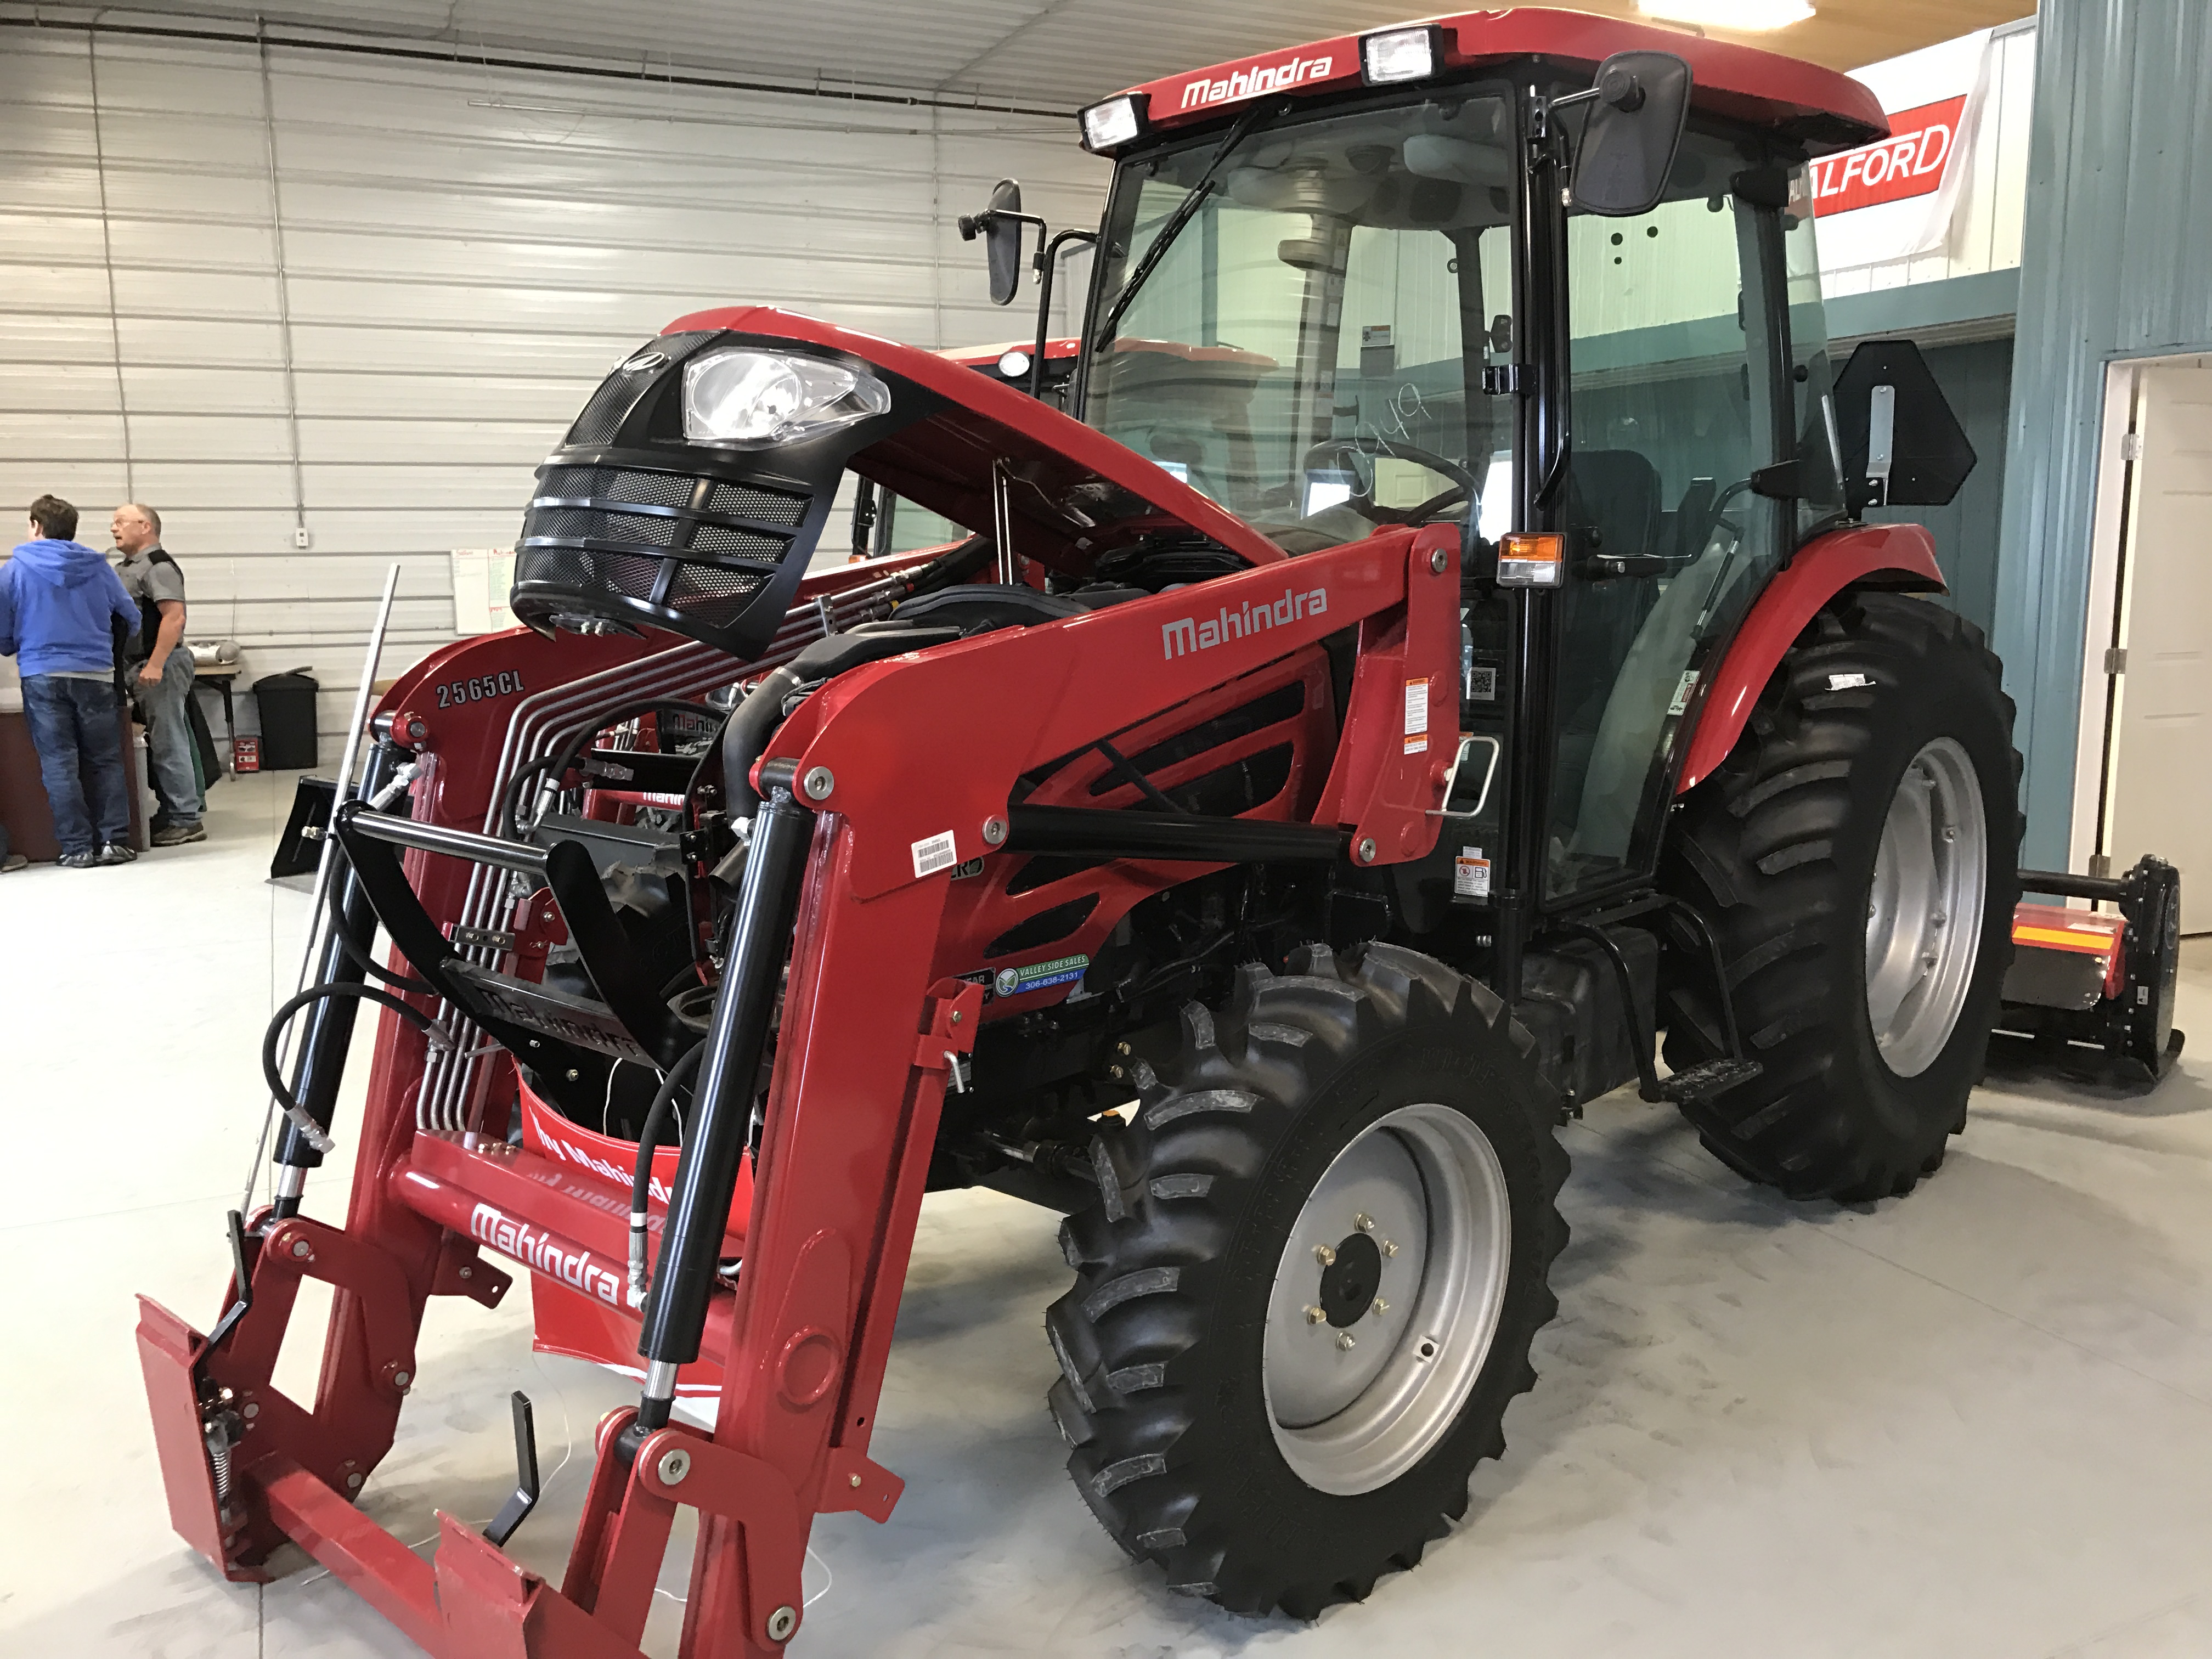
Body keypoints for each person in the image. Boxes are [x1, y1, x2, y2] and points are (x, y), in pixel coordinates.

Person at [0, 495, 139, 867]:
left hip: (41, 674)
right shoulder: (99, 567)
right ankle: (115, 841)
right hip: (95, 674)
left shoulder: (14, 569)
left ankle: (76, 848)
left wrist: (16, 644)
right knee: (106, 760)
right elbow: (131, 616)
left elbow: (3, 630)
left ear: (36, 526)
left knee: (59, 763)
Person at [111, 502, 205, 845]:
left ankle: (185, 818)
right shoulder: (130, 567)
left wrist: (155, 664)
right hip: (139, 665)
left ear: (145, 526)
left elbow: (174, 618)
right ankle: (173, 810)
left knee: (168, 741)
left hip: (157, 664)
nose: (113, 528)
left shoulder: (158, 566)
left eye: (121, 521)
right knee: (160, 742)